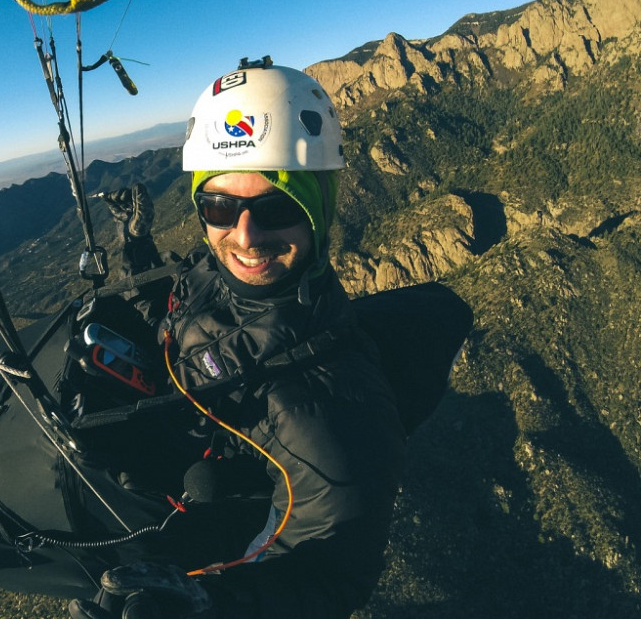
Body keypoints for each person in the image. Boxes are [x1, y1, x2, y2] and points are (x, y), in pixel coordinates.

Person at [68, 57, 471, 619]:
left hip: (200, 482)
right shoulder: (217, 275)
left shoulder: (330, 413)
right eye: (219, 206)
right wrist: (136, 246)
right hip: (179, 420)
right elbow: (174, 314)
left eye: (276, 207)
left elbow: (326, 574)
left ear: (318, 210)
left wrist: (208, 602)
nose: (245, 235)